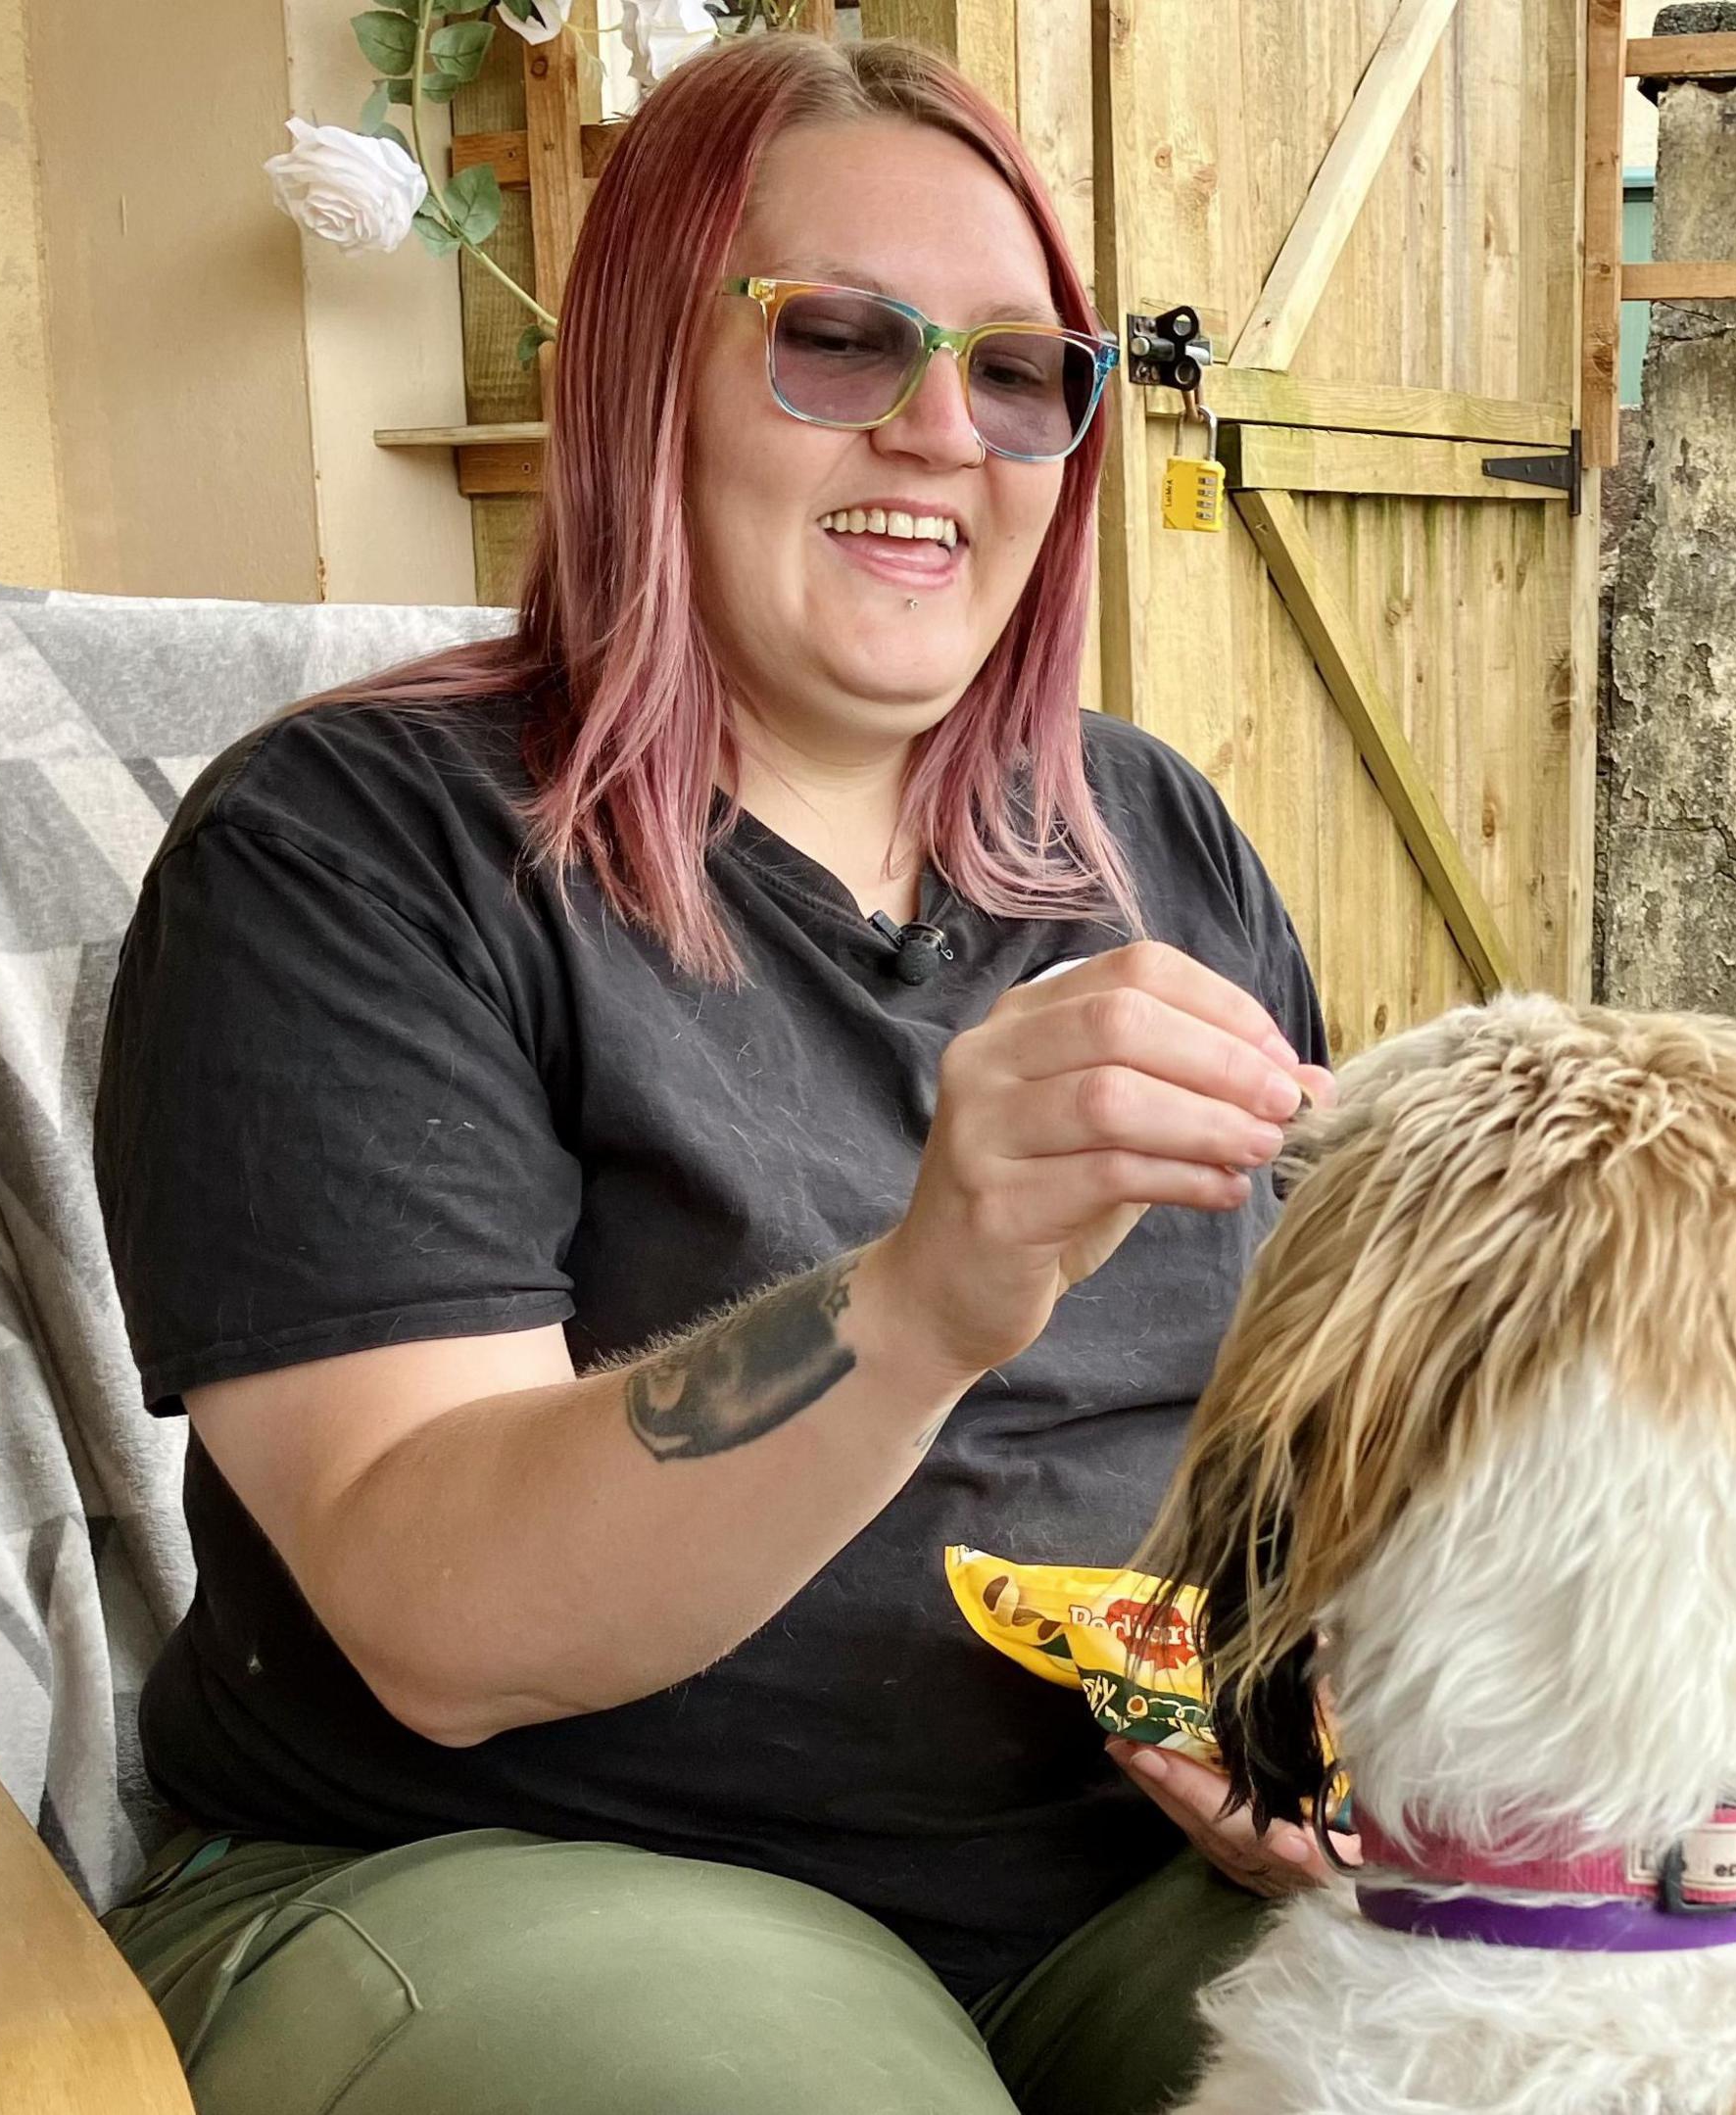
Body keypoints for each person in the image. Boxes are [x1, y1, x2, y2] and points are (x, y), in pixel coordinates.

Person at [89, 34, 1338, 2115]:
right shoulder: (352, 852)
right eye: (843, 343)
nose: (949, 431)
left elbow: (1328, 1412)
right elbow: (434, 1606)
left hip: (1135, 1872)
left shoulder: (1153, 840)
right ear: (637, 382)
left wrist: (1343, 1708)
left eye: (1024, 370)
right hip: (518, 1877)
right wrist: (923, 1299)